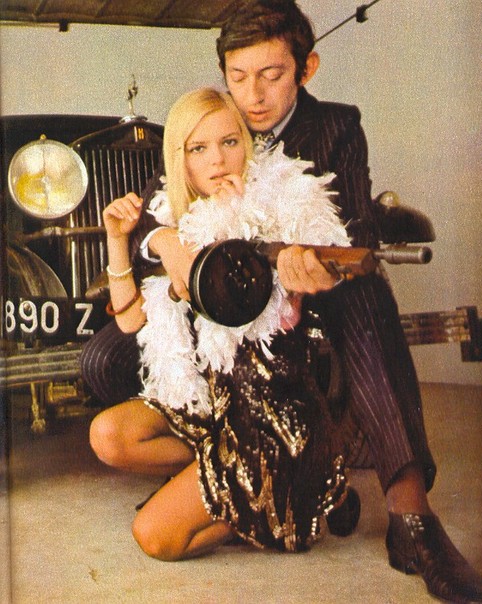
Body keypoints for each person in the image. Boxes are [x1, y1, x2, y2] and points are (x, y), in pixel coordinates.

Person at [82, 1, 482, 601]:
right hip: (210, 309)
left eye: (272, 75)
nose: (253, 95)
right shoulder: (217, 119)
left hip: (308, 300)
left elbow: (355, 233)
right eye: (238, 76)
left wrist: (302, 258)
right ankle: (265, 474)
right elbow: (157, 203)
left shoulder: (335, 127)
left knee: (368, 297)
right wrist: (162, 241)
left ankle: (412, 516)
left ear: (307, 68)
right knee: (101, 361)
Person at [90, 86, 352, 557]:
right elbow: (129, 323)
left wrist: (232, 223)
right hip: (210, 413)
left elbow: (292, 284)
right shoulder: (176, 220)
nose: (218, 159)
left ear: (246, 145)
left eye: (230, 142)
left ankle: (287, 499)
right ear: (180, 159)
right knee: (108, 436)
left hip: (269, 419)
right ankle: (252, 490)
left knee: (156, 537)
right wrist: (119, 239)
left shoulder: (275, 211)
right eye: (199, 148)